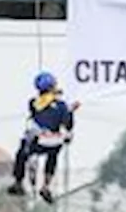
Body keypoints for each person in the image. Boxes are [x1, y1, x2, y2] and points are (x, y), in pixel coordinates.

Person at [7, 71, 78, 205]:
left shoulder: (34, 103)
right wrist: (70, 112)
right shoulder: (62, 106)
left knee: (22, 153)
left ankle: (18, 182)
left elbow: (37, 110)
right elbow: (68, 126)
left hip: (38, 141)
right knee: (53, 155)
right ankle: (46, 186)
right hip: (53, 142)